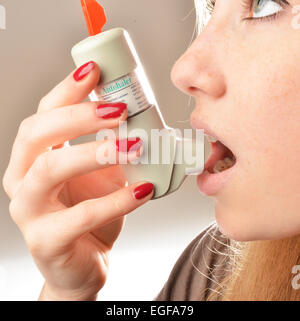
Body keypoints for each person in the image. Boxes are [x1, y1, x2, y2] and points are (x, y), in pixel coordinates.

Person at [3, 0, 300, 301]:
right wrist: (68, 291)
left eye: (264, 5)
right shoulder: (216, 273)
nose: (184, 71)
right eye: (211, 8)